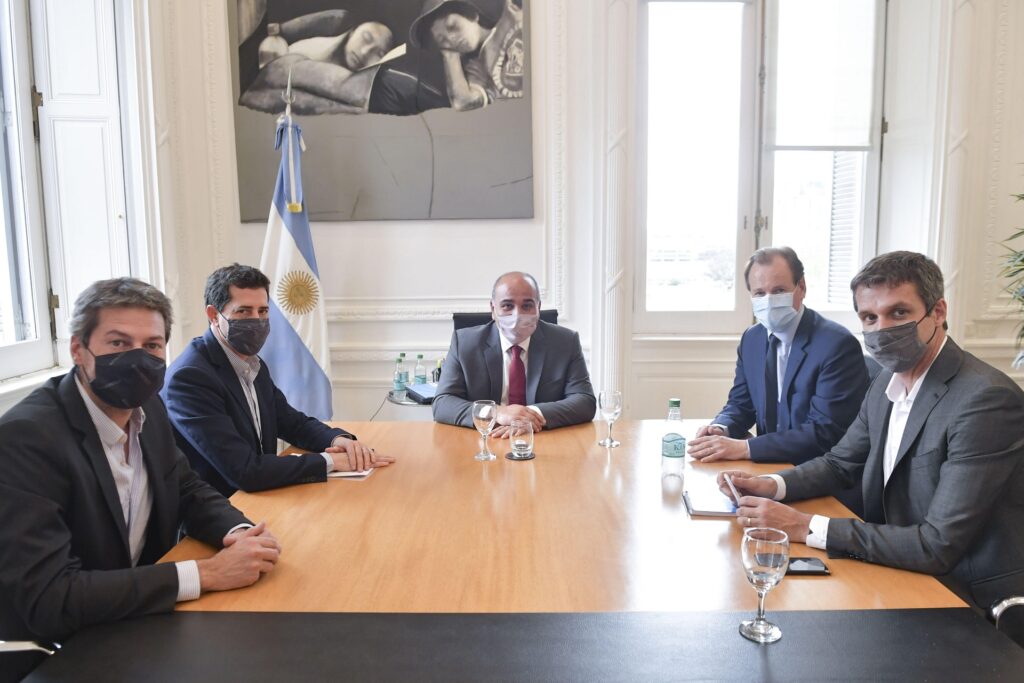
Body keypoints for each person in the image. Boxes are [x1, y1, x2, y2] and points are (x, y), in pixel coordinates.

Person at [0, 278, 281, 680]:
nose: (137, 358)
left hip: (139, 622)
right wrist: (207, 573)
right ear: (78, 349)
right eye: (118, 343)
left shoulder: (149, 408)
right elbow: (52, 598)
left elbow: (185, 487)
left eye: (151, 346)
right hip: (58, 649)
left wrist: (238, 532)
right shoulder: (25, 439)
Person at [719, 251, 1024, 609]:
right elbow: (839, 463)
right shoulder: (885, 383)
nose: (882, 329)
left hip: (966, 597)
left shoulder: (985, 400)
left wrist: (806, 526)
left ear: (938, 312)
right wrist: (771, 485)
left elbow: (937, 544)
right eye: (869, 317)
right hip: (895, 568)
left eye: (899, 313)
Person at [163, 264, 393, 497]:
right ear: (214, 315)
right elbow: (244, 470)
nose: (256, 320)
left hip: (261, 496)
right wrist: (330, 461)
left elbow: (291, 422)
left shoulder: (252, 363)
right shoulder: (190, 378)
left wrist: (338, 440)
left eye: (263, 311)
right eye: (244, 311)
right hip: (223, 506)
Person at [689, 247, 869, 466]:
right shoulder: (752, 339)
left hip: (817, 471)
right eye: (759, 293)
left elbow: (825, 433)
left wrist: (745, 448)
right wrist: (720, 428)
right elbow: (741, 404)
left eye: (779, 290)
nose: (768, 301)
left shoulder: (836, 345)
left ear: (801, 287)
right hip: (768, 465)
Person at [433, 271, 596, 436]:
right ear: (493, 309)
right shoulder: (464, 343)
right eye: (507, 306)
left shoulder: (566, 342)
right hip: (487, 437)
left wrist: (530, 415)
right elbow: (443, 403)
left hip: (541, 437)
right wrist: (496, 412)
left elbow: (585, 401)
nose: (517, 315)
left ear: (538, 308)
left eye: (527, 306)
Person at [238, 10, 397, 115]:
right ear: (353, 32)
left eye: (378, 53)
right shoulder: (320, 37)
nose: (364, 52)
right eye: (366, 38)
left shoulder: (362, 90)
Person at [409, 0, 525, 111]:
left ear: (472, 15)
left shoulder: (511, 14)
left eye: (453, 26)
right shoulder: (478, 69)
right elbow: (463, 102)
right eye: (442, 40)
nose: (451, 39)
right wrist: (450, 56)